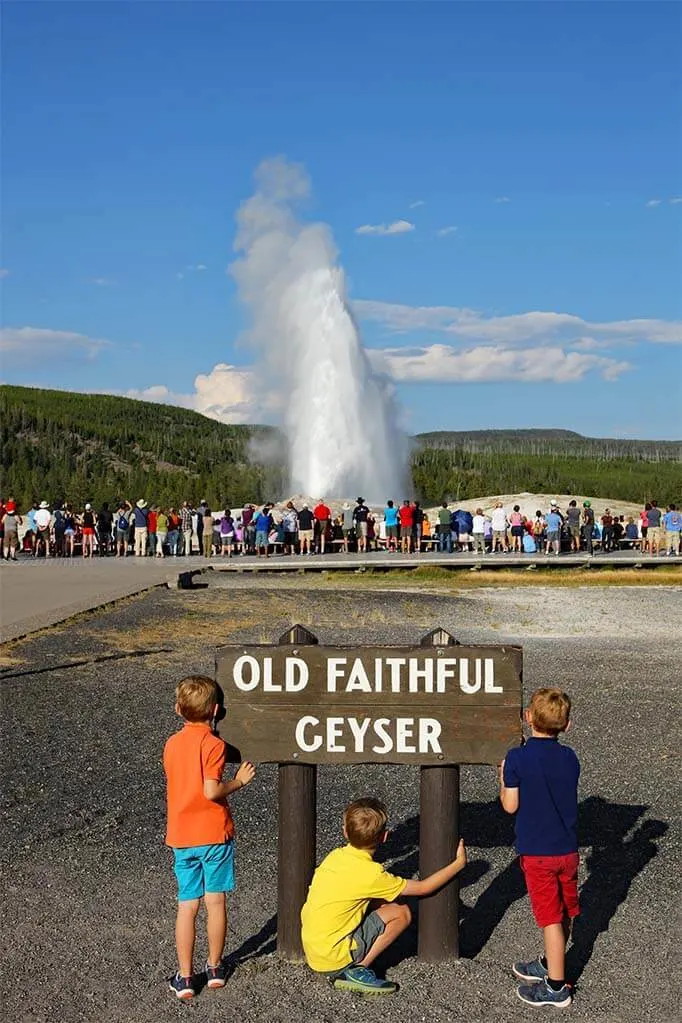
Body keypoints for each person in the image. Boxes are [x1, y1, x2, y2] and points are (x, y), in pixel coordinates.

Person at [301, 797, 468, 995]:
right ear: (384, 837)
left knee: (381, 899)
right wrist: (458, 864)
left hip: (313, 949)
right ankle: (356, 969)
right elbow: (424, 887)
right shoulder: (372, 875)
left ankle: (350, 960)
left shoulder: (335, 857)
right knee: (401, 912)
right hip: (334, 958)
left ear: (345, 831)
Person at [163, 675, 256, 1000]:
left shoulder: (172, 744)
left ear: (178, 709)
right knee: (215, 901)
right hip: (214, 834)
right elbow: (211, 790)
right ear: (216, 710)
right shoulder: (215, 745)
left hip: (182, 835)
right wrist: (239, 782)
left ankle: (185, 976)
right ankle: (215, 967)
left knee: (187, 905)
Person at [499, 688, 579, 1008]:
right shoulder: (570, 758)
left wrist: (504, 778)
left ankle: (556, 987)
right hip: (567, 850)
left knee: (549, 918)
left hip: (538, 853)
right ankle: (551, 960)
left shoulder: (518, 758)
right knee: (566, 911)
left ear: (528, 717)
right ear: (567, 725)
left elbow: (510, 805)